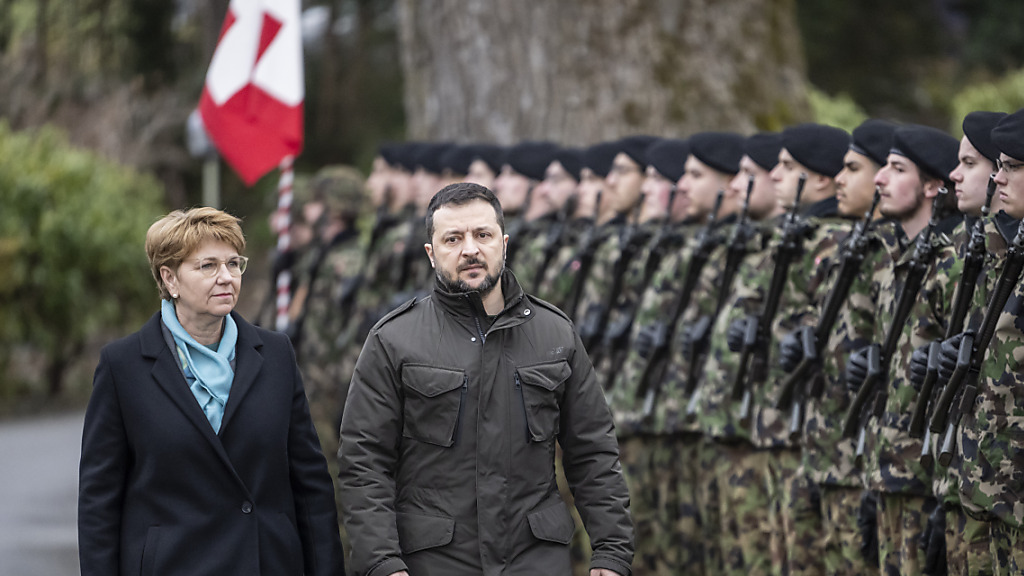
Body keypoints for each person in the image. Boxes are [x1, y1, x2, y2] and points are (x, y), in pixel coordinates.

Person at [339, 182, 634, 576]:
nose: (470, 249)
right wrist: (382, 562)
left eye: (483, 235)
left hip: (535, 558)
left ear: (504, 243)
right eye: (453, 239)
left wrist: (612, 552)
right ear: (431, 253)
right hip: (434, 559)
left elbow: (593, 451)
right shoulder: (394, 340)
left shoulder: (555, 334)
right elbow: (364, 462)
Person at [78, 207, 344, 576]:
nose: (226, 277)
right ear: (170, 279)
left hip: (266, 563)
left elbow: (311, 484)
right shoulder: (123, 365)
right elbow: (99, 502)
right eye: (207, 266)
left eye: (234, 264)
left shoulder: (276, 354)